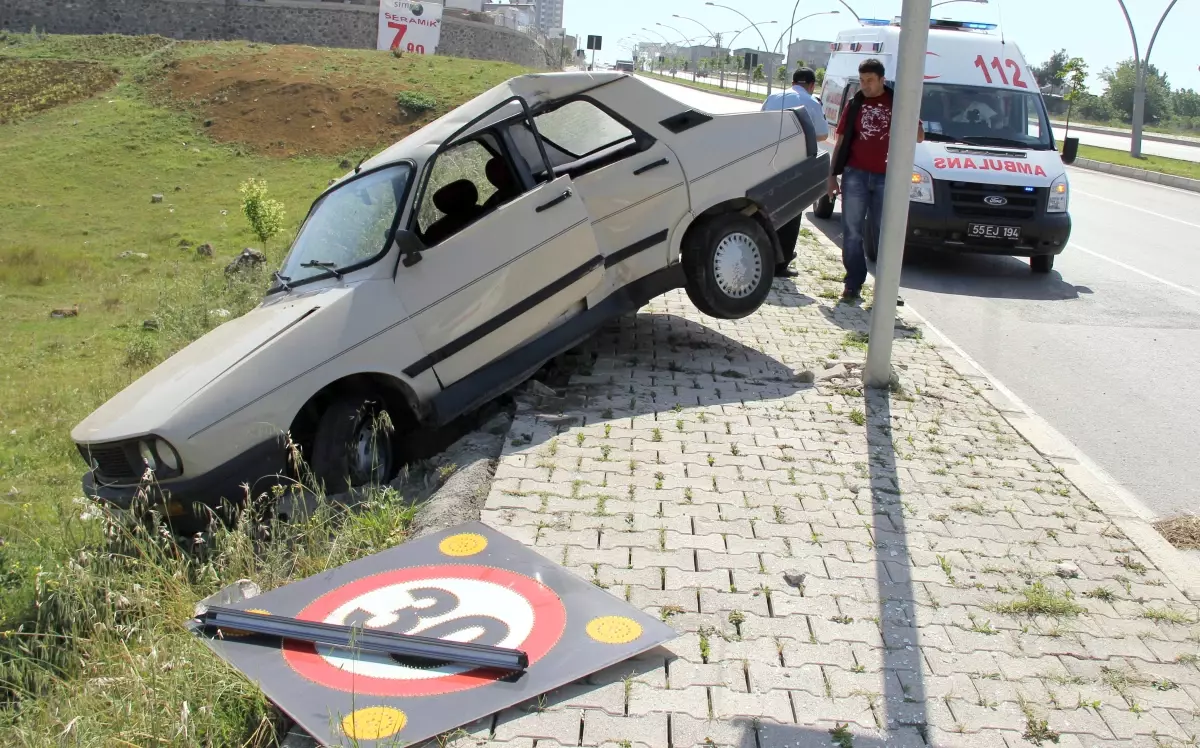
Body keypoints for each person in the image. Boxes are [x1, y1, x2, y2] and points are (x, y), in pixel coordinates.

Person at [827, 58, 923, 302]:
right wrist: (832, 176)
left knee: (886, 233)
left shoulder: (898, 102)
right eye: (861, 80)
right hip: (855, 175)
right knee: (852, 232)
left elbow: (919, 137)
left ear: (882, 80)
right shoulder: (855, 104)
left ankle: (887, 289)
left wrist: (910, 112)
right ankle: (853, 283)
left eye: (870, 80)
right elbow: (840, 141)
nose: (865, 85)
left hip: (887, 177)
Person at [761, 67, 829, 278]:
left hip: (767, 162)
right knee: (791, 212)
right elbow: (822, 134)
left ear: (792, 82)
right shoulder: (810, 102)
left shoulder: (772, 96)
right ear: (811, 85)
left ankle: (765, 255)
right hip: (795, 164)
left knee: (767, 211)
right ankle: (781, 263)